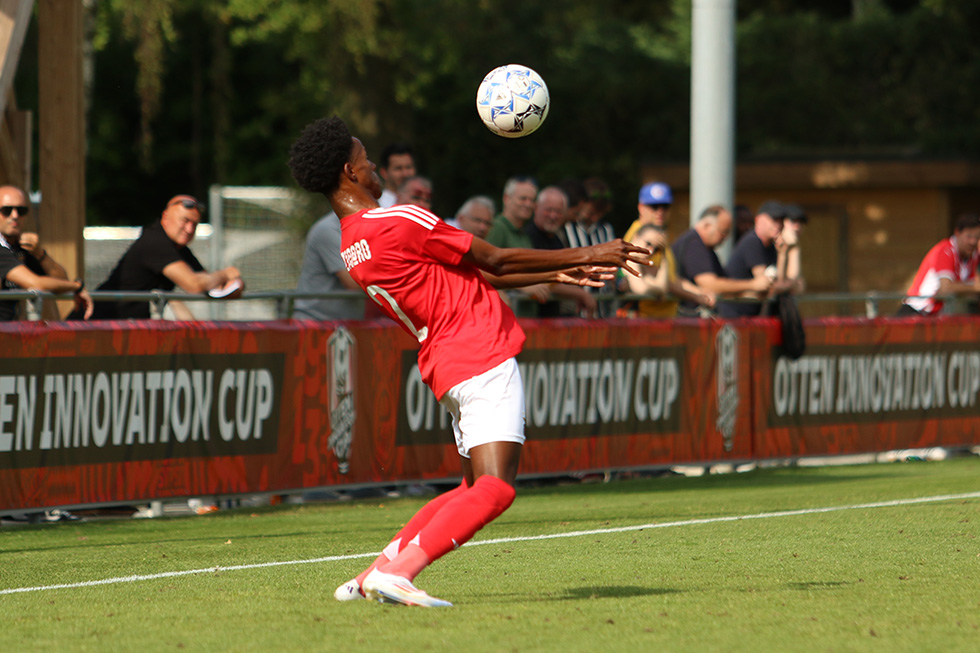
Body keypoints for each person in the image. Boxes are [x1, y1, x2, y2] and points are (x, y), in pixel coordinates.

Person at [287, 115, 650, 607]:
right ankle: (403, 573)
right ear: (350, 174)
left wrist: (568, 269)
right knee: (497, 489)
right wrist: (592, 251)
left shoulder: (354, 243)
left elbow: (476, 275)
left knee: (470, 485)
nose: (373, 166)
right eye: (366, 159)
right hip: (479, 348)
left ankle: (376, 572)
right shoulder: (399, 219)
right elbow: (494, 259)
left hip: (445, 358)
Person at [78, 195, 243, 320]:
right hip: (94, 325)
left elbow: (210, 284)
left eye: (195, 224)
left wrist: (234, 283)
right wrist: (227, 274)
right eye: (185, 221)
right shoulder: (154, 241)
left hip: (124, 329)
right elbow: (194, 284)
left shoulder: (178, 248)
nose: (189, 229)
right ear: (165, 217)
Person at [0, 185, 92, 323]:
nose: (15, 216)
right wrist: (77, 286)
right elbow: (36, 283)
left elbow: (60, 280)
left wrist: (40, 254)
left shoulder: (18, 249)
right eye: (7, 210)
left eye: (21, 210)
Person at [672, 204, 772, 314]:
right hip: (685, 317)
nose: (725, 238)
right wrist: (753, 285)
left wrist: (752, 292)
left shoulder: (708, 249)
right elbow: (710, 285)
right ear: (707, 226)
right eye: (723, 232)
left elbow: (724, 284)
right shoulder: (694, 245)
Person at [524, 186, 597, 317]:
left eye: (558, 212)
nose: (553, 216)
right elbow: (544, 277)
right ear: (536, 208)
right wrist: (581, 294)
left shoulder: (557, 238)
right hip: (533, 318)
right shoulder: (528, 237)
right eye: (549, 210)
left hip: (555, 318)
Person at [621, 223, 714, 318]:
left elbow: (664, 285)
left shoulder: (647, 265)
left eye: (656, 249)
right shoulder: (627, 260)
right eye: (648, 243)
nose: (651, 251)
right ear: (636, 237)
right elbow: (643, 289)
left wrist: (663, 254)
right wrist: (658, 290)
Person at [718, 200, 792, 318]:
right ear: (758, 220)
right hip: (734, 314)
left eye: (780, 221)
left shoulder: (772, 247)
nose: (778, 225)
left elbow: (778, 283)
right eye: (773, 220)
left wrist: (784, 253)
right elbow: (767, 288)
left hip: (750, 315)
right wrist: (789, 285)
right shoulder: (752, 242)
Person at [899, 212, 980, 316]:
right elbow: (945, 289)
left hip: (935, 316)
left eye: (977, 237)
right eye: (969, 236)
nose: (973, 242)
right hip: (915, 312)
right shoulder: (945, 250)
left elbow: (968, 289)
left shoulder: (973, 256)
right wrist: (975, 288)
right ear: (957, 233)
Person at [293, 211, 365, 321]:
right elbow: (352, 282)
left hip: (348, 323)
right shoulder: (329, 230)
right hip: (315, 322)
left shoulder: (366, 229)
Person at [378, 143, 417, 208]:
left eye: (408, 167)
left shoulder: (422, 203)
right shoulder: (378, 206)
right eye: (398, 168)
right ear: (384, 173)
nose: (405, 174)